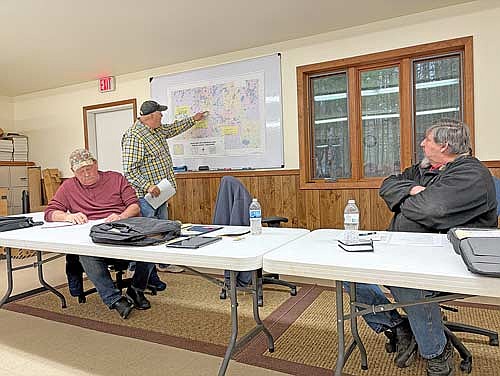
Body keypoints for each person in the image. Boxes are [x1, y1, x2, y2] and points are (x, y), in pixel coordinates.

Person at [350, 119, 497, 376]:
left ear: (445, 145)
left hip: (450, 259)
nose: (422, 144)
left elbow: (431, 210)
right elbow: (388, 185)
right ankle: (396, 325)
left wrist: (404, 202)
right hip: (405, 250)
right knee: (345, 271)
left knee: (408, 280)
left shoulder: (471, 174)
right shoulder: (424, 169)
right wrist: (414, 191)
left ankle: (437, 351)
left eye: (427, 140)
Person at [44, 148, 155, 319]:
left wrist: (121, 216)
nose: (87, 174)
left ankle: (136, 290)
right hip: (93, 235)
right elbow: (50, 213)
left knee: (150, 245)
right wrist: (68, 216)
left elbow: (134, 205)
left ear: (96, 164)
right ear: (73, 172)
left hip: (121, 228)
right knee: (85, 253)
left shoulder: (116, 178)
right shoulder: (68, 186)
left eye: (89, 168)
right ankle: (114, 299)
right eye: (81, 171)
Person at [122, 100, 208, 277]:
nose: (162, 116)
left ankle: (162, 263)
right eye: (159, 114)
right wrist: (148, 185)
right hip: (145, 196)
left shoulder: (156, 129)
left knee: (163, 229)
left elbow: (173, 129)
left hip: (160, 193)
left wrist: (194, 119)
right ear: (150, 117)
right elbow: (129, 170)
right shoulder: (134, 136)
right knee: (147, 234)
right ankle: (138, 270)